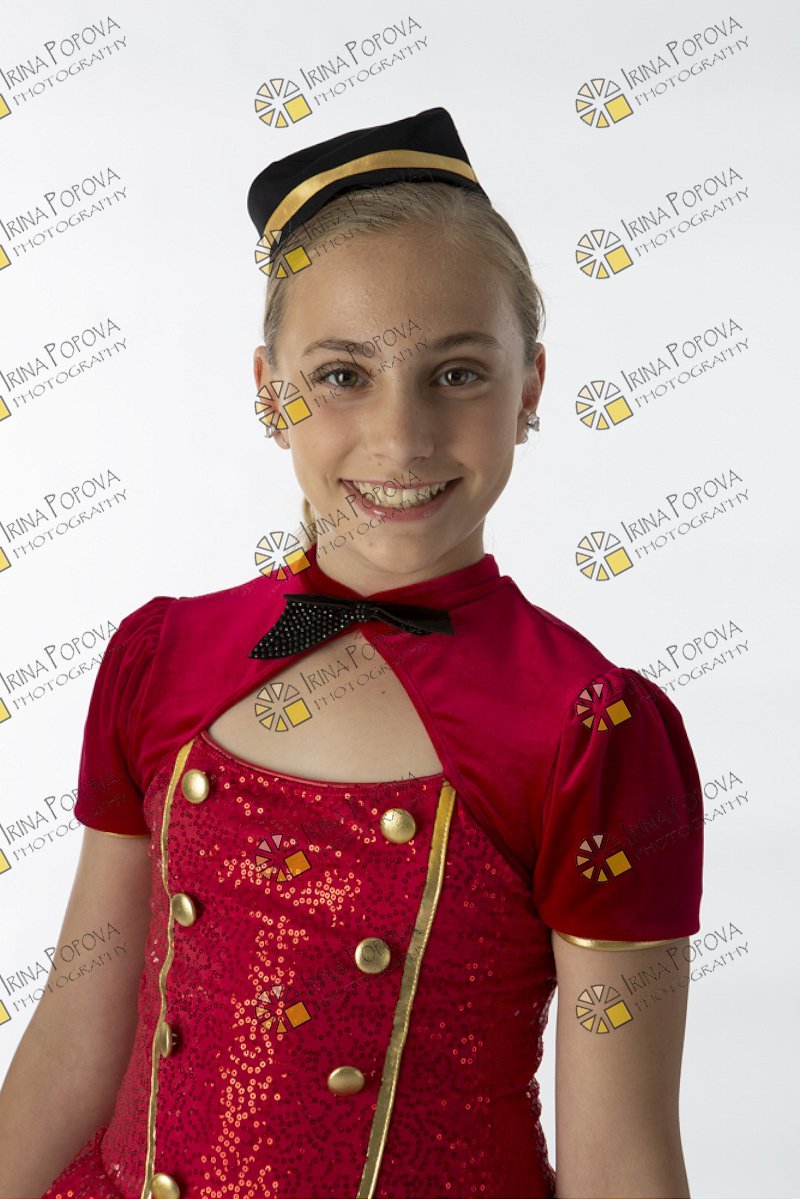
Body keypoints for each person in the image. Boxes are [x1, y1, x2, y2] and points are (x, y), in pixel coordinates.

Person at [0, 107, 704, 1199]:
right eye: (341, 374)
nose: (401, 438)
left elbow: (621, 1162)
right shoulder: (161, 655)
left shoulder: (588, 727)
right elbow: (72, 1037)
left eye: (457, 374)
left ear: (529, 385)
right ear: (268, 388)